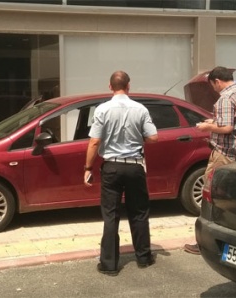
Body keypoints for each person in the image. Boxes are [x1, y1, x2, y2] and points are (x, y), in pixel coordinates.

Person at [84, 71, 159, 276]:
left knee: (110, 215)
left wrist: (88, 168)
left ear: (110, 86)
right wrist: (137, 137)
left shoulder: (102, 109)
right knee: (139, 211)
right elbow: (153, 137)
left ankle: (109, 264)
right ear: (129, 86)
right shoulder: (140, 109)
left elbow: (95, 142)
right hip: (135, 166)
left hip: (111, 167)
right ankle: (143, 257)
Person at [183, 66, 236, 255]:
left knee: (210, 198)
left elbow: (227, 127)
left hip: (223, 154)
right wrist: (212, 124)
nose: (214, 89)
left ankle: (203, 240)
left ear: (217, 81)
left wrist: (207, 128)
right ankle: (235, 238)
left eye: (213, 85)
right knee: (233, 200)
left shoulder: (225, 98)